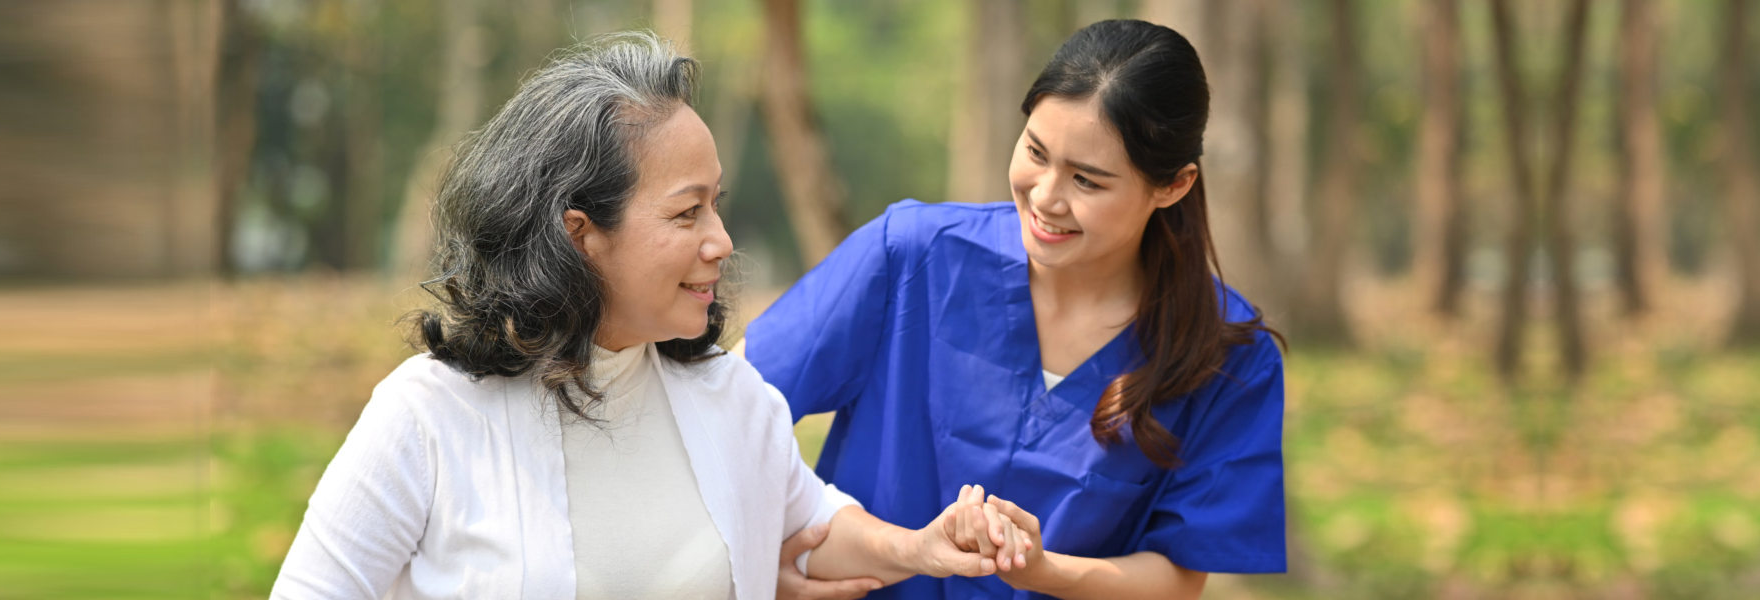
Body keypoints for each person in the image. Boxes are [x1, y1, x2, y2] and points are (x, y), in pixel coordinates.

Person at [268, 32, 1030, 600]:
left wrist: (922, 548)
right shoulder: (427, 416)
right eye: (686, 213)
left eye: (717, 206)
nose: (720, 242)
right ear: (580, 235)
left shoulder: (728, 397)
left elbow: (815, 523)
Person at [747, 19, 1288, 600]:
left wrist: (1042, 571)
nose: (1046, 196)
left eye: (1088, 180)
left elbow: (1178, 577)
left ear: (1174, 185)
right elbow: (722, 411)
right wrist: (760, 567)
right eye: (1035, 151)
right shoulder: (909, 256)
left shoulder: (1228, 357)